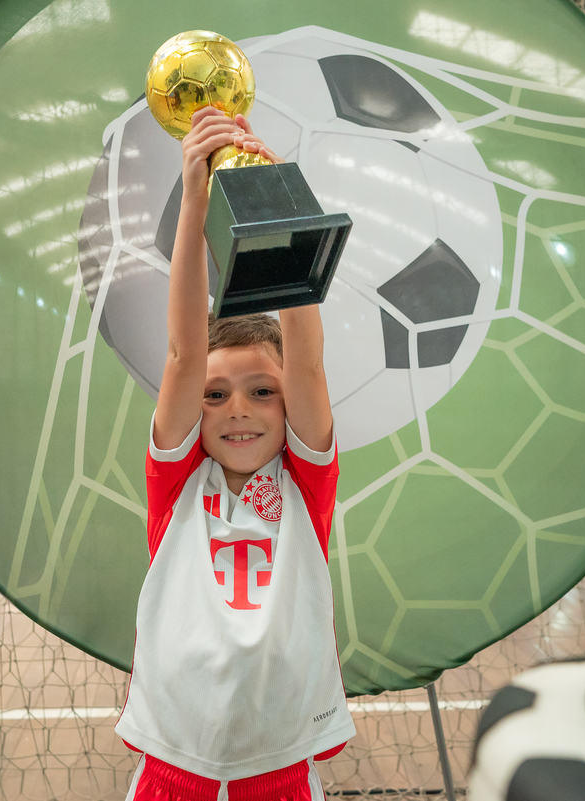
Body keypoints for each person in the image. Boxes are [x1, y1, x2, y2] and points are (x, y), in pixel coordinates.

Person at [114, 106, 355, 801]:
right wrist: (196, 197)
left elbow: (306, 366)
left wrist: (278, 203)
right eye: (214, 396)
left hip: (278, 763)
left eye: (260, 391)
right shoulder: (179, 482)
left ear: (287, 406)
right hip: (175, 761)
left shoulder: (305, 484)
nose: (239, 409)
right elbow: (187, 350)